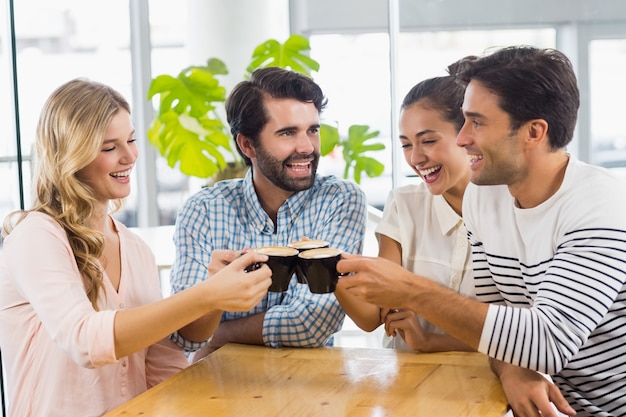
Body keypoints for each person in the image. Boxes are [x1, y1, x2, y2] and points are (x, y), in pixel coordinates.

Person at [337, 45, 626, 417]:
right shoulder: (483, 198)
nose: (462, 138)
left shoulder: (601, 206)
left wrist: (410, 289)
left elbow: (550, 341)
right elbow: (491, 321)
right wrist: (510, 368)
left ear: (534, 132)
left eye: (477, 122)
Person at [0, 79, 273, 417]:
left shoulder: (135, 249)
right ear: (71, 155)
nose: (130, 156)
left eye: (130, 139)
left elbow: (162, 367)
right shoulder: (36, 237)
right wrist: (207, 295)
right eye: (109, 147)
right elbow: (84, 341)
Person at [169, 67, 368, 361]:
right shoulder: (204, 210)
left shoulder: (341, 200)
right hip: (215, 390)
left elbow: (311, 323)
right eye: (288, 133)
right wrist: (206, 314)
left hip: (312, 391)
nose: (307, 147)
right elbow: (185, 333)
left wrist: (216, 335)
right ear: (247, 144)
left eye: (312, 130)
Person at [335, 69, 475, 353]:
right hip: (408, 382)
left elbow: (518, 334)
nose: (415, 158)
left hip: (486, 384)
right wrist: (327, 268)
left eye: (428, 141)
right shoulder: (404, 204)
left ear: (467, 134)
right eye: (406, 145)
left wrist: (431, 342)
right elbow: (374, 315)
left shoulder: (511, 210)